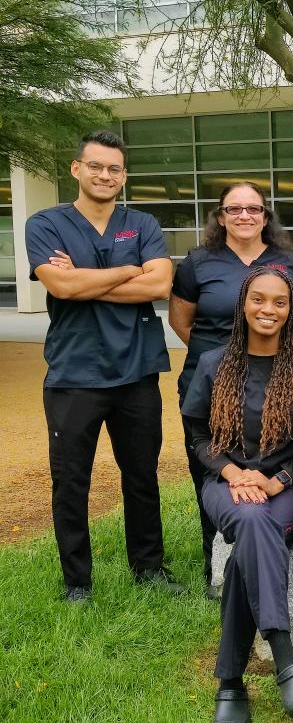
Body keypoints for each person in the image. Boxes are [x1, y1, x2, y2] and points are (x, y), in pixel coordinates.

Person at [25, 130, 182, 602]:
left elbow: (160, 286)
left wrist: (83, 279)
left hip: (136, 373)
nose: (105, 175)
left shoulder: (142, 223)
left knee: (142, 475)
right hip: (74, 375)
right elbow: (62, 288)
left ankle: (149, 568)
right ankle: (77, 582)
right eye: (95, 166)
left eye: (114, 168)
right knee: (71, 481)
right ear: (76, 169)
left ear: (124, 176)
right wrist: (129, 269)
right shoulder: (45, 224)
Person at [182, 267, 293, 723]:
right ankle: (286, 658)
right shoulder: (213, 363)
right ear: (243, 303)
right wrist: (233, 472)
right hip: (227, 485)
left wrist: (277, 480)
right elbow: (198, 435)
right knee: (250, 521)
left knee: (249, 541)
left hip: (292, 486)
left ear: (292, 311)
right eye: (259, 300)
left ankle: (229, 684)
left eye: (280, 302)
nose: (268, 309)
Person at [169, 181, 293, 592]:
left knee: (271, 456)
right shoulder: (198, 261)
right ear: (221, 215)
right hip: (209, 379)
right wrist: (223, 362)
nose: (244, 216)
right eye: (235, 209)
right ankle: (214, 562)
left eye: (254, 209)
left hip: (272, 381)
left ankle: (252, 548)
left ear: (266, 216)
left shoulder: (287, 261)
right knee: (211, 470)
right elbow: (182, 320)